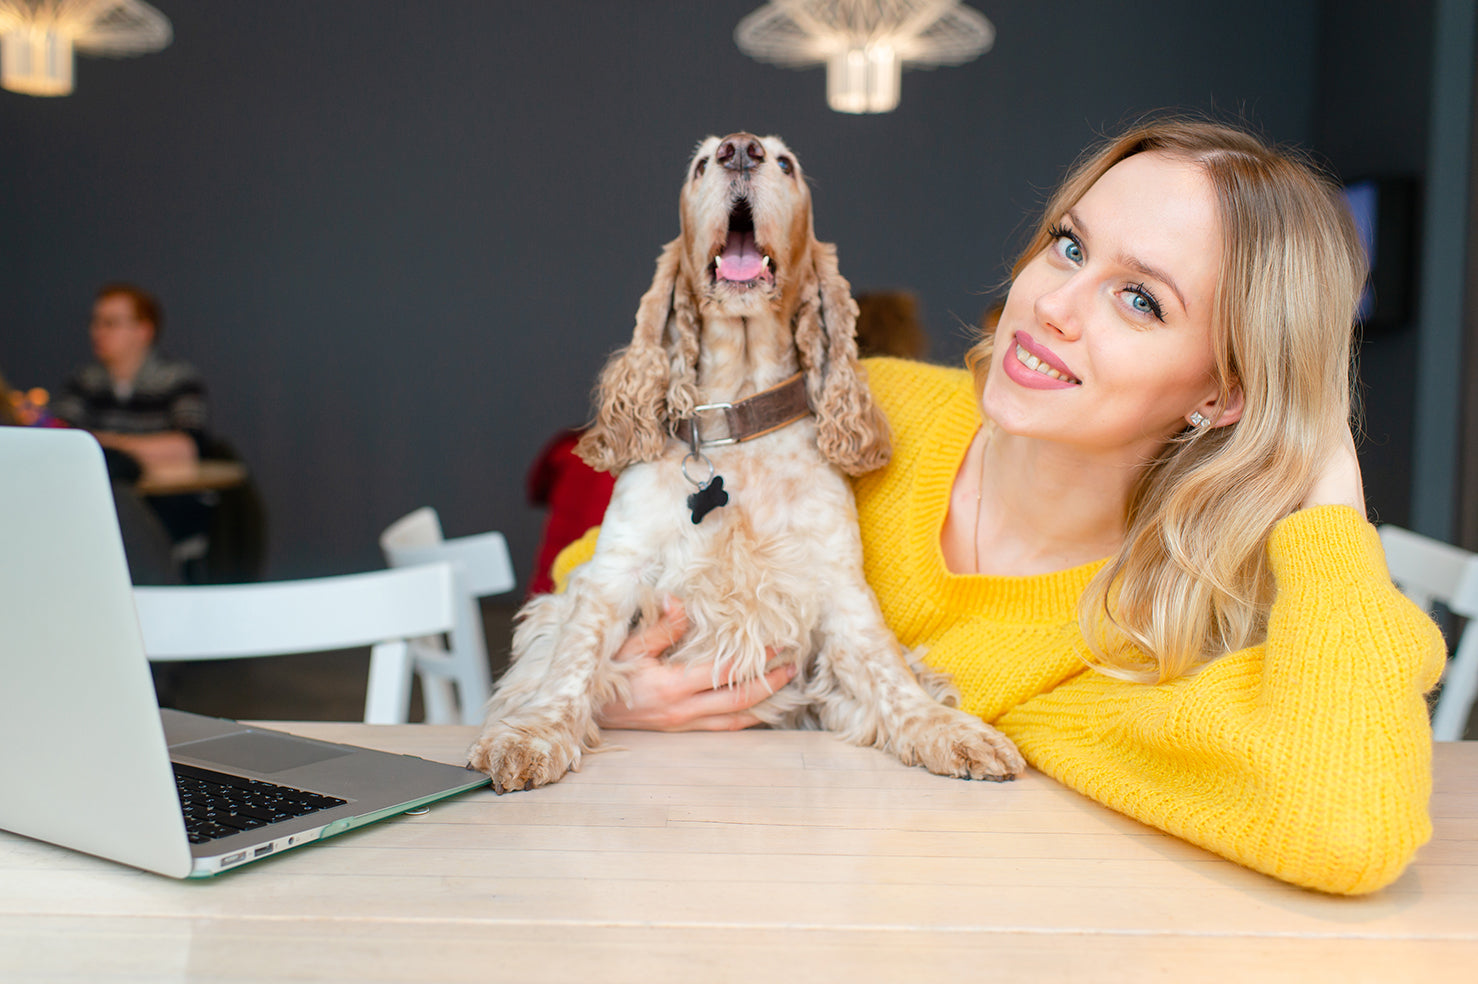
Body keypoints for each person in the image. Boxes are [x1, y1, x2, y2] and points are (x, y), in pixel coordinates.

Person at [550, 117, 1446, 896]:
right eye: (1068, 245)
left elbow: (1346, 825)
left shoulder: (1129, 645)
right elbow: (597, 561)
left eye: (1139, 300)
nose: (1052, 304)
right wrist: (615, 693)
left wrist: (1325, 473)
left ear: (1224, 393)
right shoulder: (870, 413)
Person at [52, 283, 213, 546]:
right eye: (95, 322)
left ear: (143, 331)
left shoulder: (178, 380)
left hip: (164, 509)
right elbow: (62, 440)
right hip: (95, 507)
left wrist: (107, 444)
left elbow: (184, 447)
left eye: (111, 323)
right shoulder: (83, 382)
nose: (98, 332)